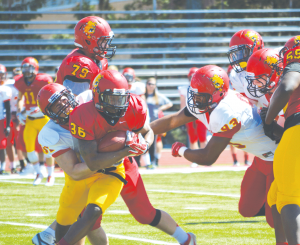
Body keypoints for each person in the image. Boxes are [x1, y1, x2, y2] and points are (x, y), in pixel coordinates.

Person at [150, 65, 287, 243]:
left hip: (278, 158)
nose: (196, 100)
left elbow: (208, 157)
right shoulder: (210, 101)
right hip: (261, 157)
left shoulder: (226, 112)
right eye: (194, 94)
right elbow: (172, 120)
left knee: (276, 218)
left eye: (201, 96)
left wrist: (181, 150)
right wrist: (140, 131)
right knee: (246, 209)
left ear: (218, 95)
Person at [68, 70, 196, 245]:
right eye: (112, 98)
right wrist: (125, 151)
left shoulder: (133, 106)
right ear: (98, 97)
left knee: (145, 213)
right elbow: (92, 161)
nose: (118, 104)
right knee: (89, 220)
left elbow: (148, 131)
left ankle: (186, 239)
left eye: (121, 98)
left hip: (124, 163)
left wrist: (145, 145)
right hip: (94, 169)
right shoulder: (83, 113)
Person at [35, 83, 109, 245]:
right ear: (50, 114)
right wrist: (108, 159)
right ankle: (50, 232)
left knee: (141, 212)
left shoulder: (89, 98)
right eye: (55, 105)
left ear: (70, 95)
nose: (62, 104)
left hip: (111, 167)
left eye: (62, 99)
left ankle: (49, 232)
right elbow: (74, 171)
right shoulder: (50, 133)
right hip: (84, 172)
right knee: (88, 223)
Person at [262, 35, 300, 245]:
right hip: (294, 132)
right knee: (275, 195)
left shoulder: (295, 65)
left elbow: (286, 86)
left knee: (288, 198)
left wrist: (268, 120)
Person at [14, 57, 55, 186]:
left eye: (29, 68)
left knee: (47, 149)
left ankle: (50, 175)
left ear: (35, 68)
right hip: (30, 120)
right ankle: (38, 173)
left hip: (43, 119)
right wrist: (20, 109)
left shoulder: (43, 80)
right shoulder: (20, 82)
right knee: (30, 149)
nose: (26, 71)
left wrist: (41, 105)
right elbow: (20, 98)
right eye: (24, 68)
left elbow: (51, 94)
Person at [55, 16, 113, 95]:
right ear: (88, 41)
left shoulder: (99, 59)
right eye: (103, 41)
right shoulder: (80, 63)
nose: (107, 46)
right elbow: (76, 102)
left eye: (107, 41)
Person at [178, 67, 207, 168]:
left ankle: (205, 158)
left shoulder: (203, 87)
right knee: (193, 139)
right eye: (191, 76)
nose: (193, 78)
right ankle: (196, 160)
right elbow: (182, 105)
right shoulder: (184, 88)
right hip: (189, 115)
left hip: (201, 115)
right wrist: (181, 119)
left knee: (202, 138)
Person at [145, 77, 173, 166]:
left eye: (153, 84)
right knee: (145, 142)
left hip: (155, 122)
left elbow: (170, 103)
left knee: (156, 141)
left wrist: (161, 108)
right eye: (149, 84)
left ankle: (155, 159)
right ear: (146, 85)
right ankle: (146, 162)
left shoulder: (158, 96)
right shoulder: (143, 95)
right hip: (144, 123)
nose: (151, 86)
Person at [0, 64, 12, 175]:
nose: (1, 77)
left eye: (2, 74)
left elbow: (8, 109)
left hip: (1, 120)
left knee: (2, 145)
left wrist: (7, 125)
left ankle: (2, 167)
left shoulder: (5, 89)